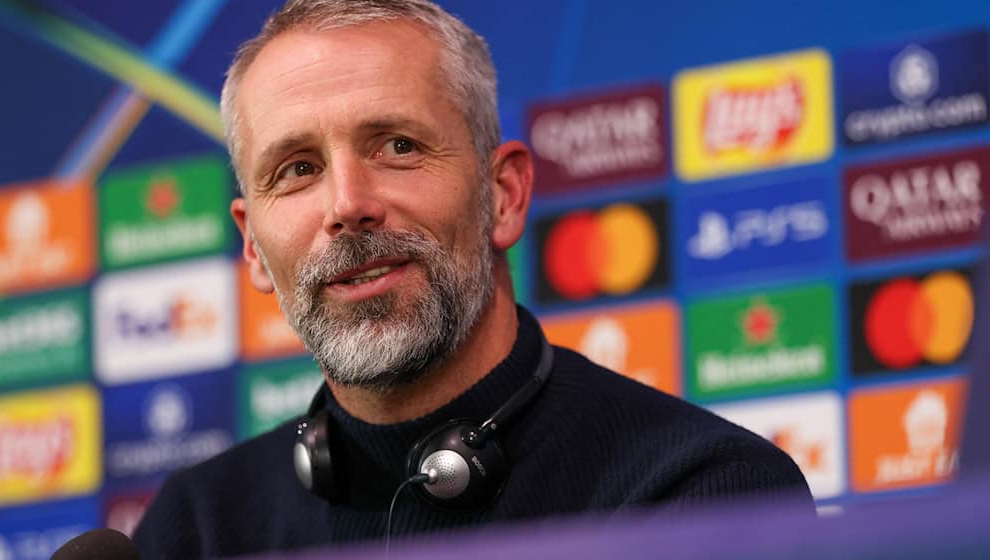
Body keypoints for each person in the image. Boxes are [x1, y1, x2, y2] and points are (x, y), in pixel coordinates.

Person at [132, 0, 813, 557]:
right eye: (298, 169)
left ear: (505, 195)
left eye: (398, 146)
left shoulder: (703, 497)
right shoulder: (194, 532)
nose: (346, 204)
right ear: (252, 245)